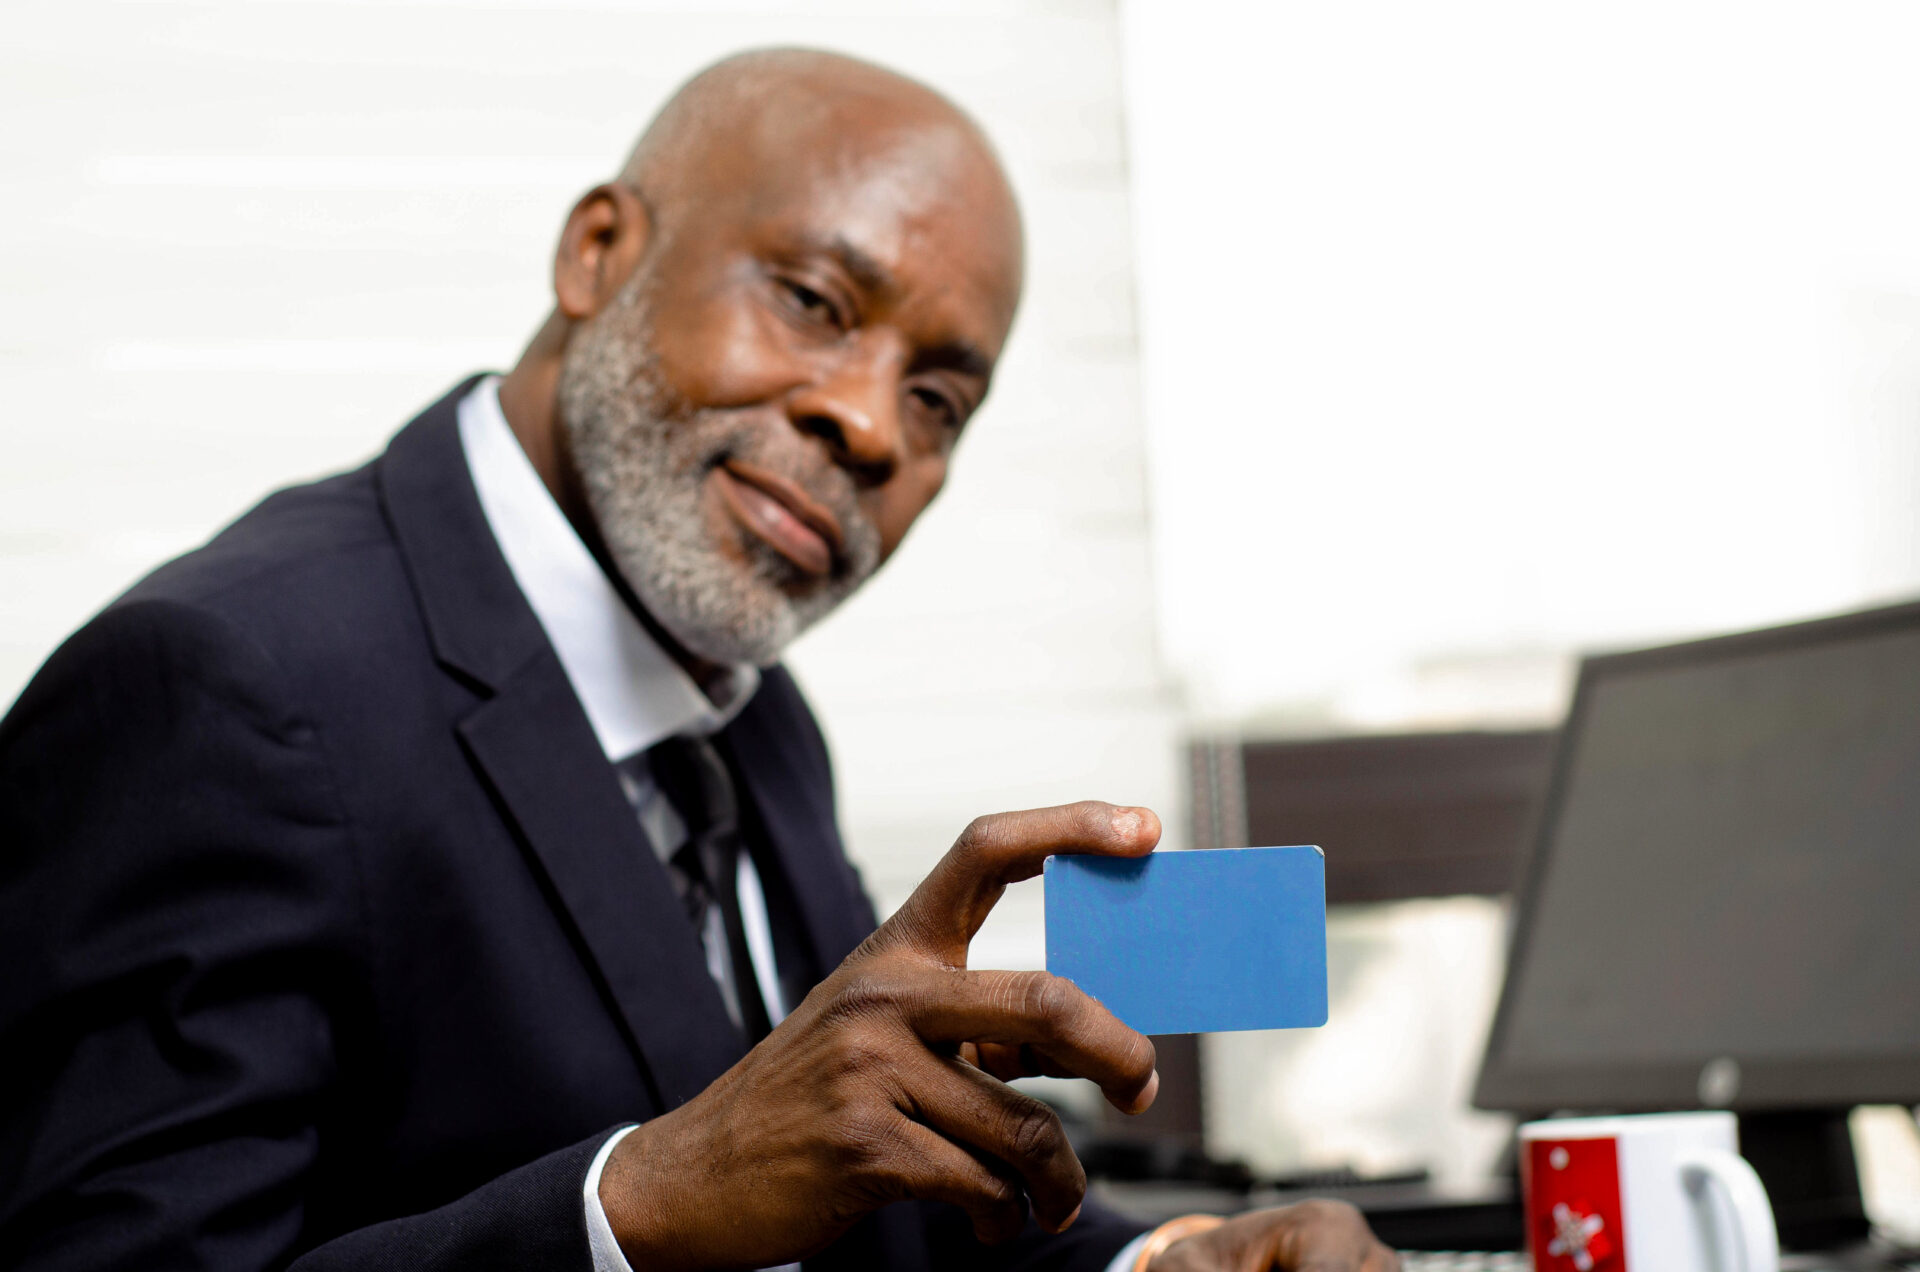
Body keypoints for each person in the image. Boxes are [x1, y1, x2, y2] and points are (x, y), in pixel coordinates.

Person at [0, 48, 1397, 1272]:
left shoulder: (749, 716)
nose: (868, 425)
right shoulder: (218, 688)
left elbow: (866, 1205)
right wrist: (639, 1206)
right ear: (599, 252)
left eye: (937, 397)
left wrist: (1167, 1260)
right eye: (809, 298)